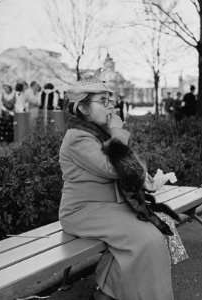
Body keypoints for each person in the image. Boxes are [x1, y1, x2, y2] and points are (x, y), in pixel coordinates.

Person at [59, 79, 176, 300]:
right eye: (103, 101)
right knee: (147, 238)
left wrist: (144, 176)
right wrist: (117, 132)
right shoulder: (78, 137)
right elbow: (115, 168)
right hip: (83, 212)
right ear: (83, 107)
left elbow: (132, 166)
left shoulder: (99, 134)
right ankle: (111, 289)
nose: (110, 106)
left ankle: (111, 290)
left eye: (110, 100)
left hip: (110, 208)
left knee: (156, 230)